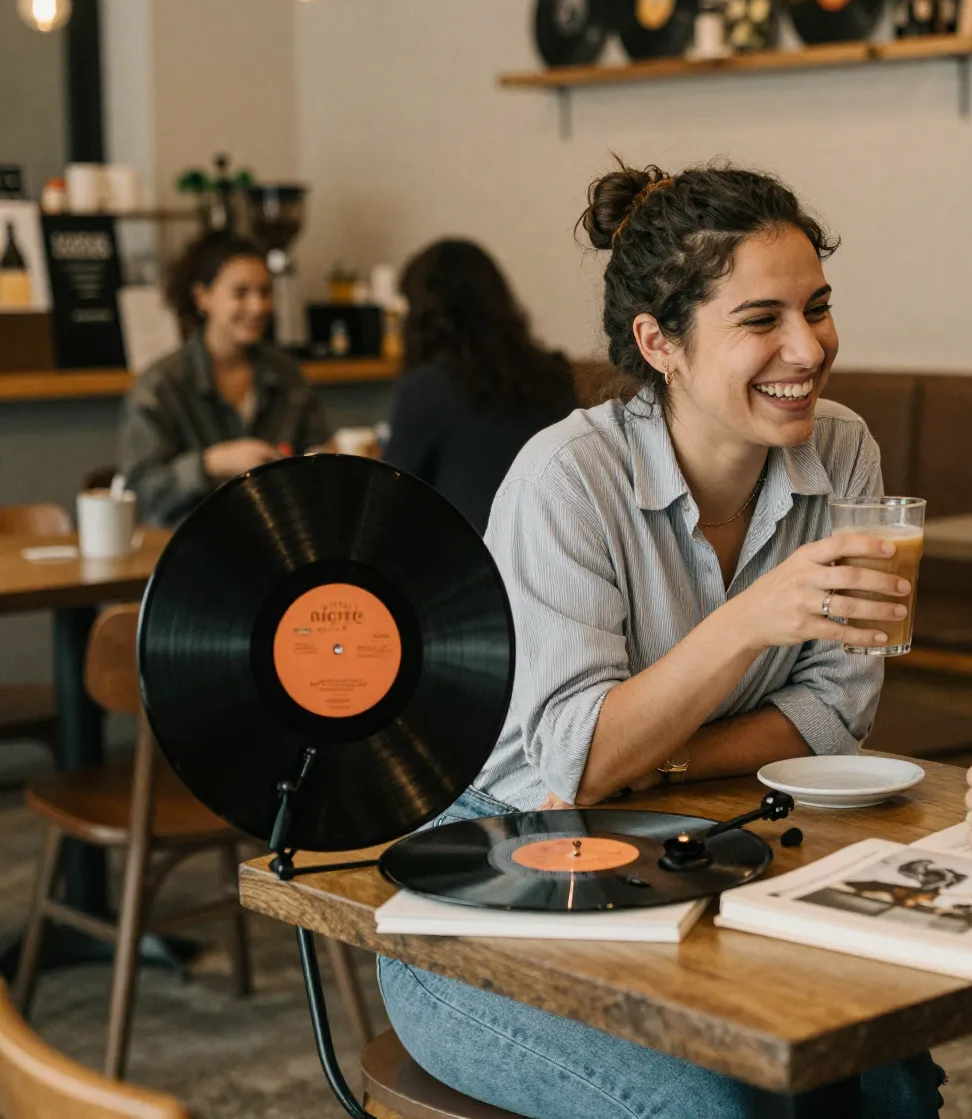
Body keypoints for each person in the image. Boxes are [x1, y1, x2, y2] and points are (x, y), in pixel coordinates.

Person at [376, 162, 942, 1117]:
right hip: (485, 876)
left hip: (694, 844)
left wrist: (663, 759)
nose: (808, 347)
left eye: (819, 306)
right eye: (761, 320)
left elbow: (836, 713)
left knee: (886, 1081)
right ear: (659, 343)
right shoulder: (568, 478)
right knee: (712, 1111)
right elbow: (581, 763)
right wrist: (751, 623)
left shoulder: (840, 449)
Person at [119, 231, 328, 527]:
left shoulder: (288, 375)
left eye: (265, 292)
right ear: (202, 297)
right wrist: (210, 463)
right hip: (192, 549)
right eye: (241, 293)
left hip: (280, 543)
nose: (258, 307)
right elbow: (140, 493)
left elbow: (317, 447)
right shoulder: (161, 385)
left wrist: (321, 459)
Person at [383, 238, 578, 530]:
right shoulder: (554, 374)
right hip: (556, 551)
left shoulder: (425, 389)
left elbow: (388, 500)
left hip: (471, 565)